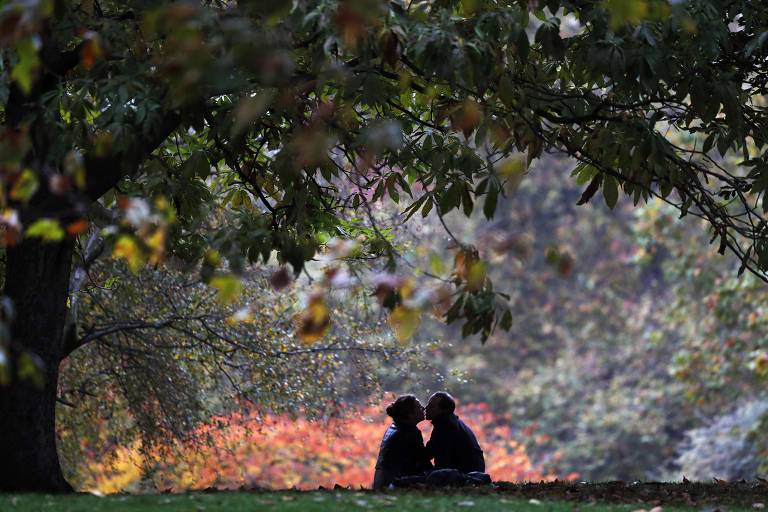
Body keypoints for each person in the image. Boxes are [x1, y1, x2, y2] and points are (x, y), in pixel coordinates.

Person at [372, 394, 433, 490]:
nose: (423, 408)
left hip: (381, 482)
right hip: (395, 484)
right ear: (409, 414)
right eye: (418, 407)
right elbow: (423, 461)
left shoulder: (395, 427)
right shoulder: (409, 432)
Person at [424, 391, 485, 473]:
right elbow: (430, 451)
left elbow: (443, 462)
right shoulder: (450, 422)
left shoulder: (445, 426)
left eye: (431, 406)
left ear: (443, 410)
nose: (426, 408)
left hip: (466, 476)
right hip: (474, 473)